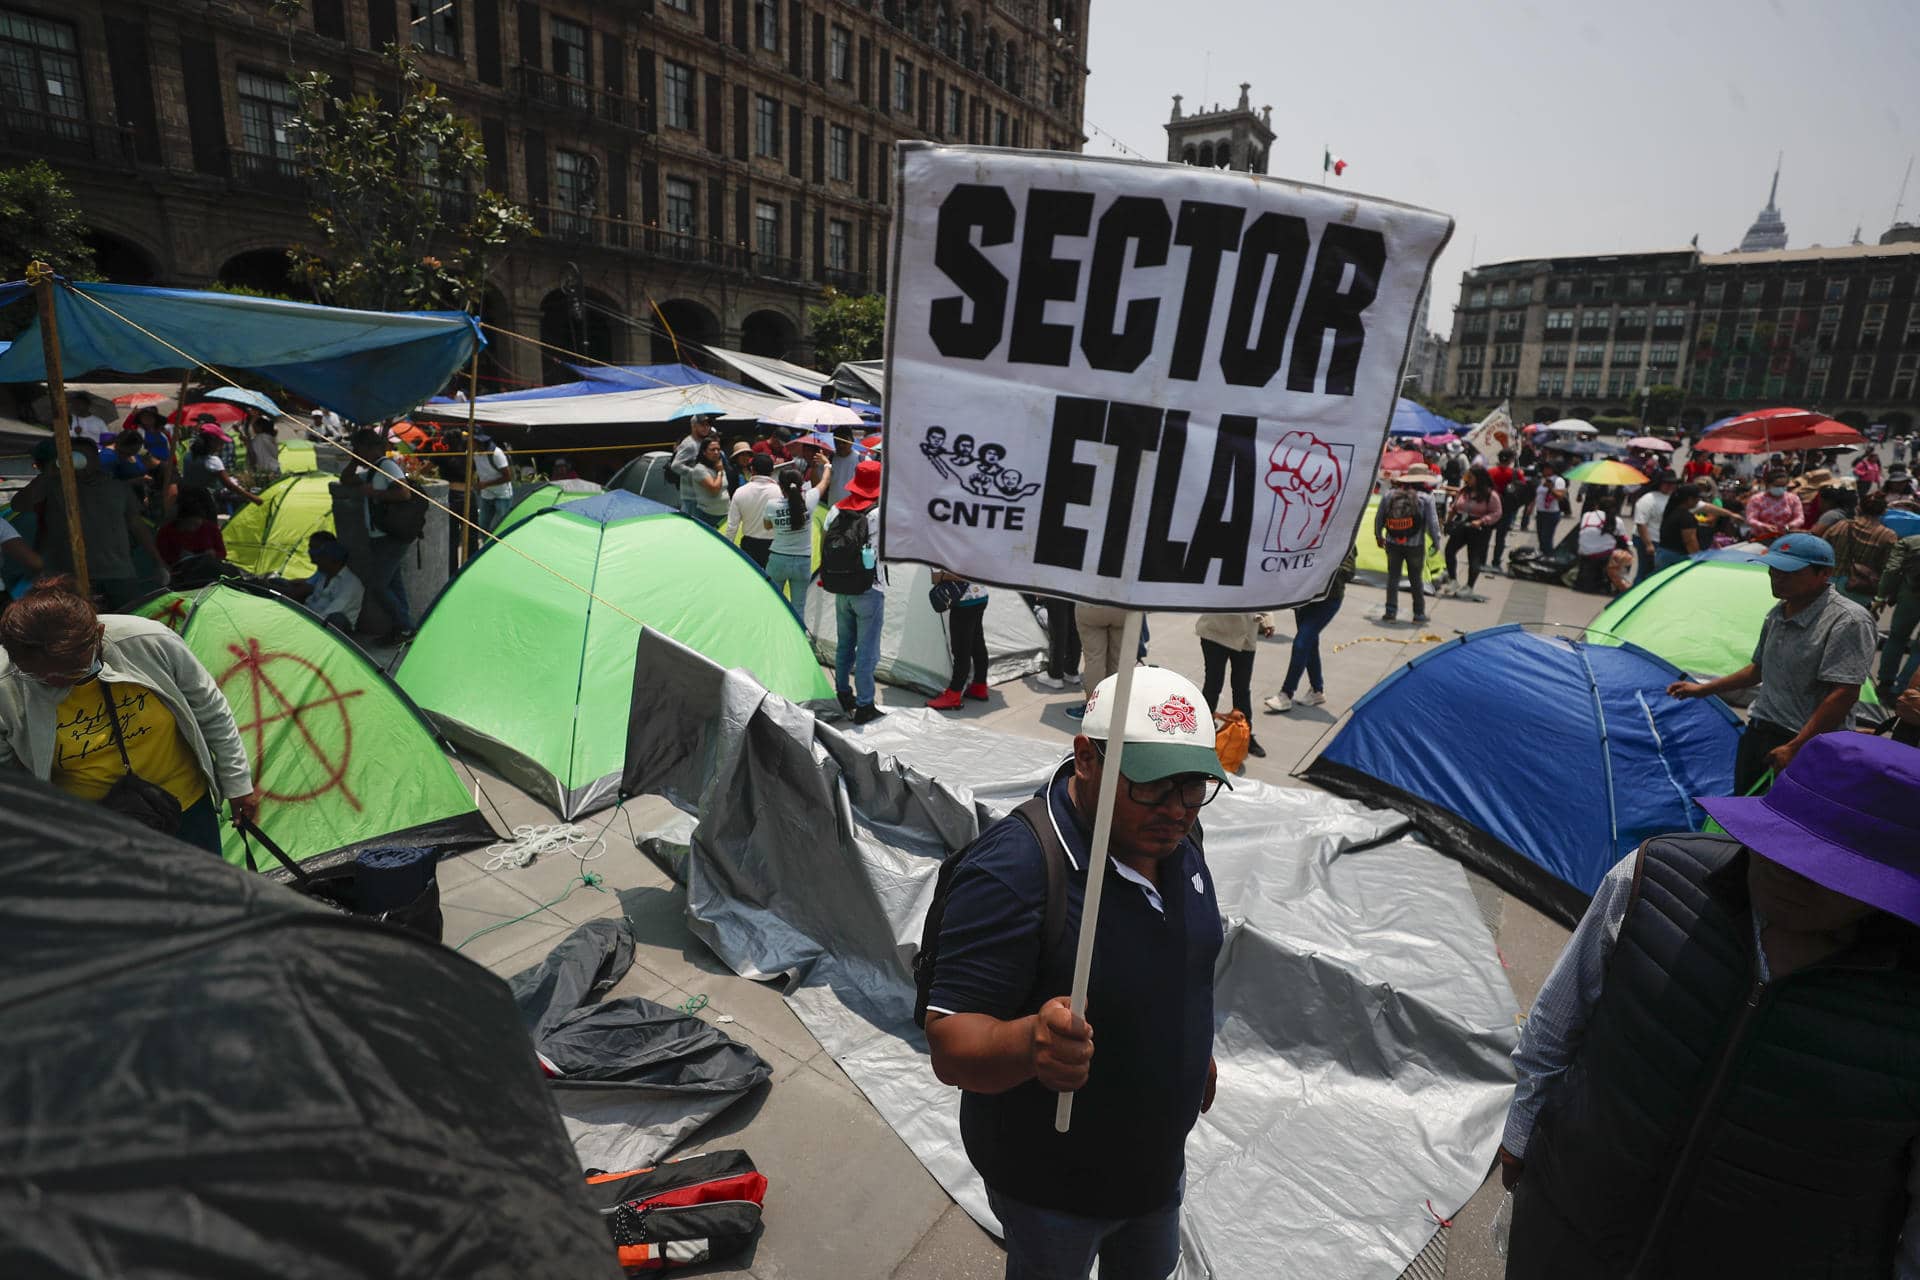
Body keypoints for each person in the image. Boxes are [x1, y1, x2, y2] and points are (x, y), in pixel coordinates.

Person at [1496, 732, 1920, 1280]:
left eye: (1828, 869)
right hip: (1570, 1229)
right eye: (1781, 843)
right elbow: (1556, 1022)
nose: (1789, 874)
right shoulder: (1653, 878)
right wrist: (1523, 1133)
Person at [925, 666, 1226, 1280]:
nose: (1177, 811)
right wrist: (1027, 1043)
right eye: (1150, 785)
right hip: (1054, 1193)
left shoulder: (1177, 841)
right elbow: (951, 1046)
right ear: (1086, 758)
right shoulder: (1015, 871)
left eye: (1194, 788)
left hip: (1155, 1173)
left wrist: (1191, 1049)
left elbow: (1182, 960)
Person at [0, 577, 261, 856]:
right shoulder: (6, 682)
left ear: (98, 635)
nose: (56, 683)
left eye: (71, 673)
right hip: (88, 831)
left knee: (209, 898)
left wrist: (238, 784)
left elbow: (210, 708)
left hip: (186, 807)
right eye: (38, 677)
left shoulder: (149, 640)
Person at [1668, 533, 1876, 794]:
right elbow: (1758, 669)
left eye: (1789, 572)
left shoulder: (1848, 621)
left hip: (1805, 742)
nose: (1777, 577)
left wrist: (1796, 746)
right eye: (1774, 569)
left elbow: (1844, 692)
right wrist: (1702, 689)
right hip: (1760, 732)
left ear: (1824, 573)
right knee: (1742, 811)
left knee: (1784, 823)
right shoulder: (1778, 612)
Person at [35, 437, 169, 609]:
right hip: (70, 575)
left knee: (129, 619)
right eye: (72, 456)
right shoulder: (54, 488)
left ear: (95, 459)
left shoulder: (117, 488)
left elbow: (137, 525)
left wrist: (158, 560)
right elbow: (21, 505)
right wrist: (52, 471)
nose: (78, 462)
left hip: (119, 573)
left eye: (83, 457)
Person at [819, 458, 885, 723]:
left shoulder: (836, 509)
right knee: (868, 650)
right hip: (870, 588)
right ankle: (865, 704)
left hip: (841, 588)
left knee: (845, 644)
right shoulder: (877, 513)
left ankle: (843, 693)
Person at [341, 427, 415, 643]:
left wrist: (375, 493)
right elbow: (346, 479)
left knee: (378, 585)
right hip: (380, 536)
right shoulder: (373, 470)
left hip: (391, 536)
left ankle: (404, 626)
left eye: (358, 449)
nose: (356, 452)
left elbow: (404, 493)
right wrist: (355, 461)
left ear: (369, 448)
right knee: (393, 583)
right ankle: (405, 628)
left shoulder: (387, 467)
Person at [1266, 547, 1356, 718]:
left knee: (1301, 643)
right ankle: (1317, 690)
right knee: (1309, 643)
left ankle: (1286, 694)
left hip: (1327, 600)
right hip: (1303, 598)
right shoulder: (1306, 531)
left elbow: (1348, 571)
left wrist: (1319, 570)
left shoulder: (1342, 537)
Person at [1194, 611, 1272, 758]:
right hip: (1215, 631)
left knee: (1241, 687)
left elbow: (1264, 592)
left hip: (1246, 634)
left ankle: (1245, 734)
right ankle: (1201, 733)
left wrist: (1268, 620)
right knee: (1213, 684)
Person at [1374, 464, 1441, 625]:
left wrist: (1378, 535)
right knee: (1416, 579)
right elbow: (1433, 524)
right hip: (1415, 545)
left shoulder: (1390, 494)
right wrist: (1436, 543)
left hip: (1392, 542)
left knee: (1393, 577)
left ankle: (1390, 612)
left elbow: (1379, 517)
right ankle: (1418, 614)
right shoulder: (1426, 498)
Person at [764, 461, 828, 624]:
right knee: (799, 606)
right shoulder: (810, 499)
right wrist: (827, 465)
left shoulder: (772, 505)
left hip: (778, 559)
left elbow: (767, 526)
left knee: (773, 602)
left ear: (780, 486)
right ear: (801, 485)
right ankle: (797, 641)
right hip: (802, 561)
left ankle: (774, 635)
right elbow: (824, 482)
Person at [1821, 489, 1897, 612]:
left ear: (1859, 508)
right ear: (1884, 511)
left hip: (1831, 582)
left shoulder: (1841, 525)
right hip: (1860, 588)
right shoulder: (1888, 536)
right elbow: (1889, 568)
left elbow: (1822, 549)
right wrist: (1882, 596)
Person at [928, 576, 991, 711]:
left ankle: (954, 694)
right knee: (977, 643)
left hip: (964, 601)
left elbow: (947, 575)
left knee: (961, 650)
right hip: (980, 595)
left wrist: (942, 576)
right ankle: (979, 686)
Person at [1439, 465, 1500, 601]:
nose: (1467, 480)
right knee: (1449, 550)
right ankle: (1453, 579)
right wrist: (1448, 522)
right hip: (1462, 523)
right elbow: (1454, 507)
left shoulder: (1490, 495)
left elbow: (1497, 512)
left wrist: (1482, 520)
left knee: (1474, 557)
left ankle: (1469, 586)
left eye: (1470, 478)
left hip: (1478, 528)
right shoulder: (1464, 491)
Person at [1876, 527, 1920, 701]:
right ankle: (1903, 688)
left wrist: (1882, 595)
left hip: (1909, 595)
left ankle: (1885, 682)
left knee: (1897, 638)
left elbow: (1892, 570)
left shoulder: (1910, 542)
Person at [1070, 604, 1131, 721]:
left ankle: (1092, 709)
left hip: (1091, 604)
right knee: (1117, 660)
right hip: (1124, 606)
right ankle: (1113, 707)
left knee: (1094, 660)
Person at [725, 453, 782, 567]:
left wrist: (727, 549)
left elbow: (732, 526)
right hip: (774, 545)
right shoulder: (780, 492)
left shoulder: (740, 492)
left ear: (752, 470)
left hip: (749, 546)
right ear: (772, 471)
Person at [181, 429, 260, 512]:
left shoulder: (188, 456)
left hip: (186, 497)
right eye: (221, 442)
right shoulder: (213, 461)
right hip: (205, 500)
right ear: (212, 443)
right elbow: (229, 485)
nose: (222, 446)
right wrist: (253, 498)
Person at [300, 540, 364, 632]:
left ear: (334, 561)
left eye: (322, 558)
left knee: (336, 618)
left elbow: (332, 611)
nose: (317, 561)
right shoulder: (323, 576)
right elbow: (311, 601)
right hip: (316, 619)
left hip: (335, 627)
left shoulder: (350, 584)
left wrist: (306, 624)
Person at [154, 487, 226, 568]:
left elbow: (222, 553)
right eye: (192, 524)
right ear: (181, 520)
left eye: (198, 524)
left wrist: (214, 554)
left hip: (208, 568)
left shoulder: (211, 528)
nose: (196, 527)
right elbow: (162, 558)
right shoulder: (166, 533)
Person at [1632, 470, 1677, 583]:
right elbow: (1641, 523)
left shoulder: (1673, 498)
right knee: (1645, 571)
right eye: (1666, 483)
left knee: (1655, 573)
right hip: (1647, 539)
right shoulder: (1648, 499)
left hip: (1662, 540)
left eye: (1672, 484)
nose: (1669, 486)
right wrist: (1648, 544)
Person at [1574, 494, 1623, 594]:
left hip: (1584, 552)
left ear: (1597, 506)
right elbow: (1623, 539)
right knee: (1623, 553)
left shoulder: (1587, 515)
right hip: (1604, 556)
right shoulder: (1617, 521)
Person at [671, 413, 717, 517]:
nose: (706, 427)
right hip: (691, 498)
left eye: (708, 424)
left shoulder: (703, 442)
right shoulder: (689, 444)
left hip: (702, 496)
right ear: (693, 426)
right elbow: (675, 465)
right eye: (702, 424)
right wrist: (698, 475)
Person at [1742, 465, 1804, 542]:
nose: (1780, 488)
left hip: (1786, 538)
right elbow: (1750, 519)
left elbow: (1800, 518)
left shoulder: (1793, 498)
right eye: (1777, 486)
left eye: (1783, 486)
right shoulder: (1757, 499)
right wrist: (1765, 527)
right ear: (1768, 485)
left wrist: (1789, 526)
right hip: (1762, 538)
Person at [470, 432, 515, 533]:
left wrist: (485, 484)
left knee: (501, 526)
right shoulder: (474, 453)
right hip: (486, 494)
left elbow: (508, 477)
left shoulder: (496, 454)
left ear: (479, 442)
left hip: (502, 494)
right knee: (483, 525)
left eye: (472, 442)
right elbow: (473, 469)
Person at [1035, 597, 1082, 692]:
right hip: (1076, 586)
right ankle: (1071, 670)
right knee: (1073, 624)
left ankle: (1055, 675)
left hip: (1057, 586)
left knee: (1057, 626)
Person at [1654, 482, 1703, 571]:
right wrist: (1697, 559)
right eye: (1697, 498)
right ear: (1690, 499)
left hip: (1662, 554)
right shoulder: (1686, 517)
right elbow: (1690, 541)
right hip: (1676, 557)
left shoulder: (1671, 512)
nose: (1698, 501)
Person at [1487, 449, 1521, 568]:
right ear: (1511, 460)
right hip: (1507, 509)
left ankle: (1481, 560)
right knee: (1500, 538)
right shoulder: (1516, 473)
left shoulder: (1490, 472)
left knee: (1485, 536)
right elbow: (1522, 489)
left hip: (1489, 507)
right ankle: (1496, 562)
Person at [687, 437, 731, 530]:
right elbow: (714, 490)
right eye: (712, 450)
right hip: (708, 516)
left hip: (725, 514)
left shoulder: (719, 465)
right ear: (704, 452)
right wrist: (719, 472)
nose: (716, 452)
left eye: (718, 449)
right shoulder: (700, 469)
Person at [1532, 461, 1569, 554]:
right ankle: (1542, 557)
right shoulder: (1544, 480)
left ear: (1551, 470)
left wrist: (1551, 488)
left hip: (1551, 514)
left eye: (1545, 468)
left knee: (1546, 539)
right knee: (1541, 539)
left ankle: (1548, 558)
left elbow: (1560, 497)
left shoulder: (1558, 480)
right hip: (1540, 513)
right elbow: (1538, 494)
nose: (1543, 470)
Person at [827, 431, 860, 505]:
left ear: (852, 441)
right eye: (837, 442)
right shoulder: (829, 459)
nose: (841, 445)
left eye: (844, 441)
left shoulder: (862, 460)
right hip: (833, 507)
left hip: (854, 508)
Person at [246, 418, 281, 483]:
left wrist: (248, 443)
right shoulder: (271, 437)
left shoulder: (258, 439)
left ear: (260, 427)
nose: (253, 429)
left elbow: (253, 456)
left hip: (265, 471)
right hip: (275, 467)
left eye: (254, 427)